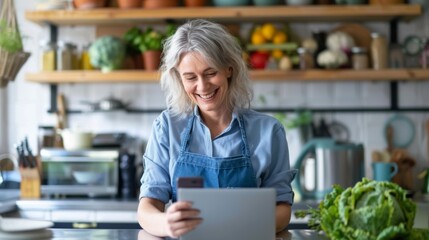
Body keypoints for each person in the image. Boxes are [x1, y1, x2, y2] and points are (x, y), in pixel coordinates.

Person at [137, 19, 296, 238]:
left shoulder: (269, 131)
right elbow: (147, 209)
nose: (202, 86)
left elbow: (283, 210)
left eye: (210, 73)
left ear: (229, 68)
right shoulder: (167, 127)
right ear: (179, 78)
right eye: (190, 77)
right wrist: (166, 224)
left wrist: (238, 224)